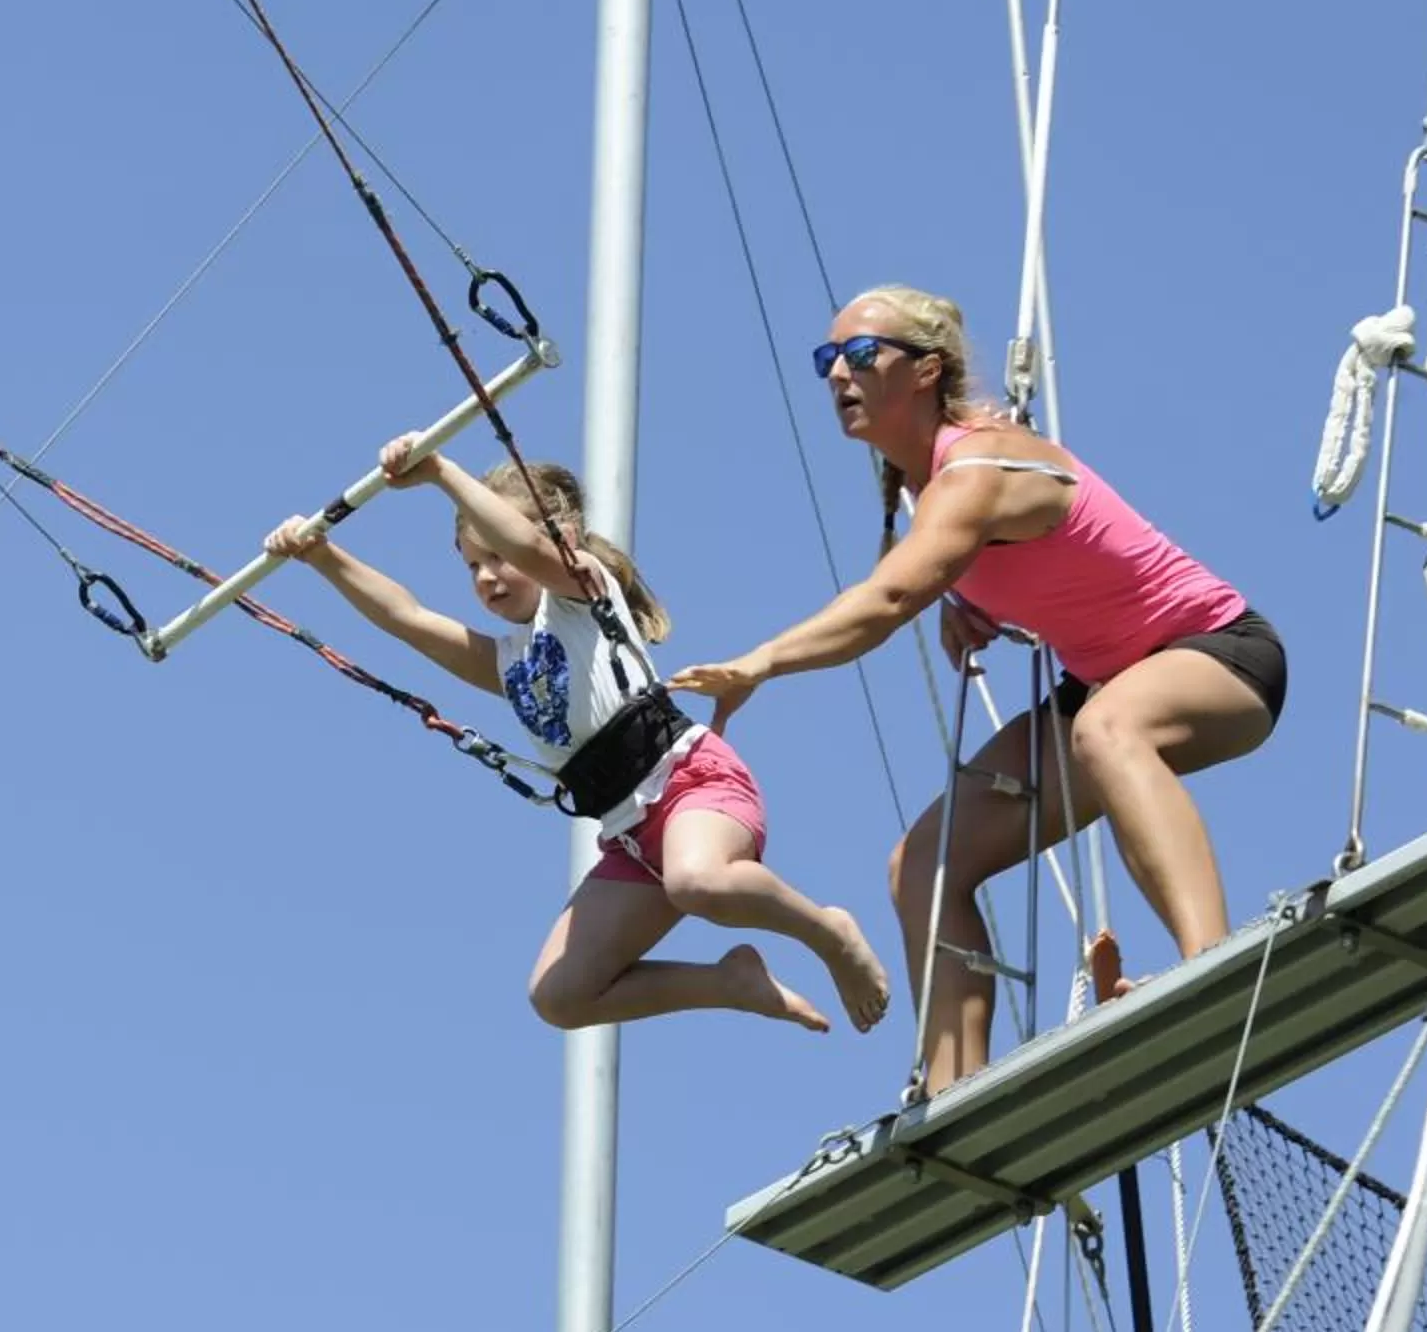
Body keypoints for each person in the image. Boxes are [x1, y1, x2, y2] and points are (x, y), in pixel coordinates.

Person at [664, 285, 1288, 1097]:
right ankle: (955, 1090)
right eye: (828, 360)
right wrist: (964, 600)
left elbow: (888, 597)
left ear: (927, 371)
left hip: (1220, 654)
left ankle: (1212, 969)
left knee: (1107, 730)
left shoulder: (977, 467)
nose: (839, 375)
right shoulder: (929, 489)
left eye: (862, 355)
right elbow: (979, 563)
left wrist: (760, 663)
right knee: (923, 863)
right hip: (1101, 690)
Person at [263, 435, 891, 1037]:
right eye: (473, 565)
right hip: (630, 837)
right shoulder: (507, 663)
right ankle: (730, 983)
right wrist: (322, 557)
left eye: (496, 556)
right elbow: (408, 617)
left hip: (689, 782)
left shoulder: (582, 591)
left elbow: (534, 551)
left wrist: (442, 475)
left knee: (697, 881)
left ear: (559, 537)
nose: (486, 576)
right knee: (560, 996)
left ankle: (829, 933)